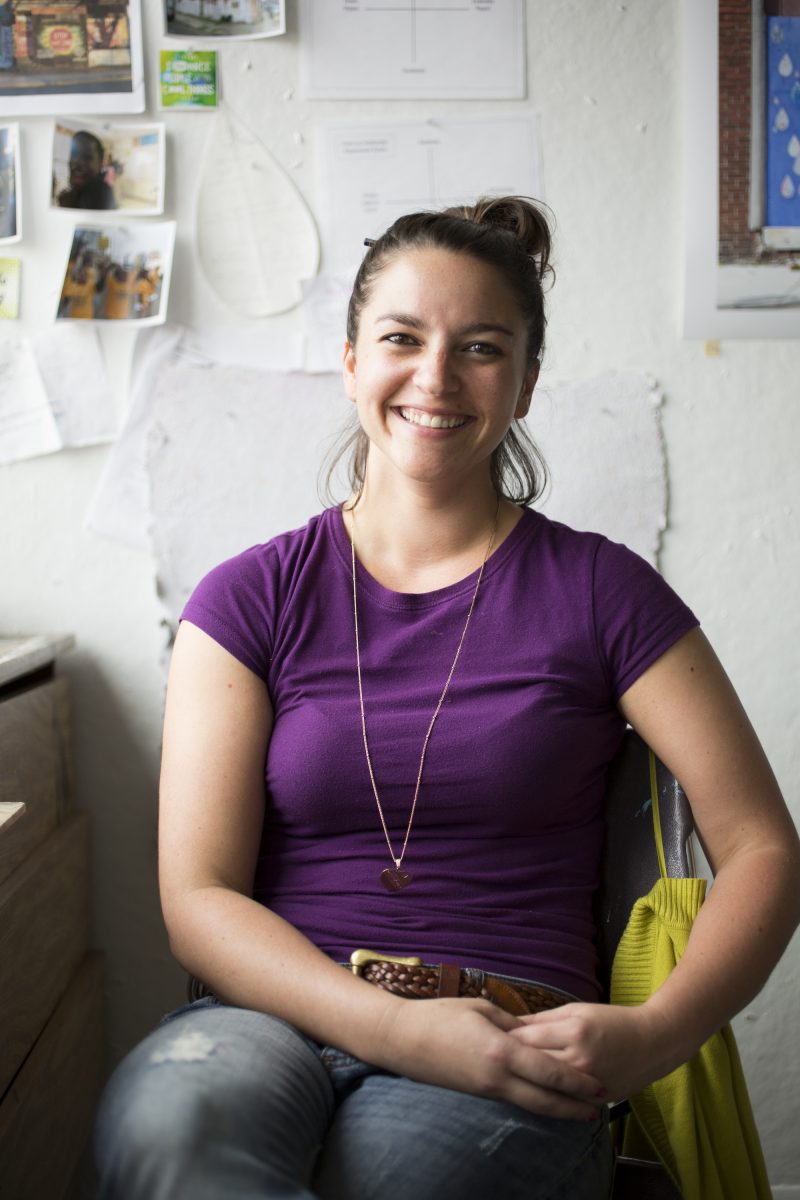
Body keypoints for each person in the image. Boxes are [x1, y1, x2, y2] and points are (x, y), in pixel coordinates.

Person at [93, 196, 800, 1199]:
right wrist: (389, 1027)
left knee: (394, 1181)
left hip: (510, 1036)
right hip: (267, 1026)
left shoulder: (605, 593)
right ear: (349, 363)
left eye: (478, 347)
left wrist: (653, 1037)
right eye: (400, 338)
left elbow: (762, 848)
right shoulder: (247, 597)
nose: (433, 377)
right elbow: (196, 899)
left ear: (522, 384)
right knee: (173, 1126)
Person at [57, 131, 117, 211]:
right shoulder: (80, 191)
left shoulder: (100, 192)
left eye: (86, 157)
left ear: (100, 162)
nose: (77, 162)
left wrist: (69, 208)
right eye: (73, 155)